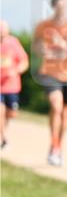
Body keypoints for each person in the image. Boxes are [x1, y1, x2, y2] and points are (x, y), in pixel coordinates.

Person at [32, 0, 67, 166]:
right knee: (56, 106)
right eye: (59, 6)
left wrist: (63, 45)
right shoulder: (43, 25)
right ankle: (54, 146)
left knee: (65, 113)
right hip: (49, 72)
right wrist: (41, 50)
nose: (63, 9)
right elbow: (36, 46)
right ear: (53, 7)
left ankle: (58, 147)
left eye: (65, 6)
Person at [0, 20, 30, 149]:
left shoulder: (13, 43)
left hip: (12, 86)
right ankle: (3, 138)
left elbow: (24, 61)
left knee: (11, 113)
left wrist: (15, 71)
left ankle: (3, 131)